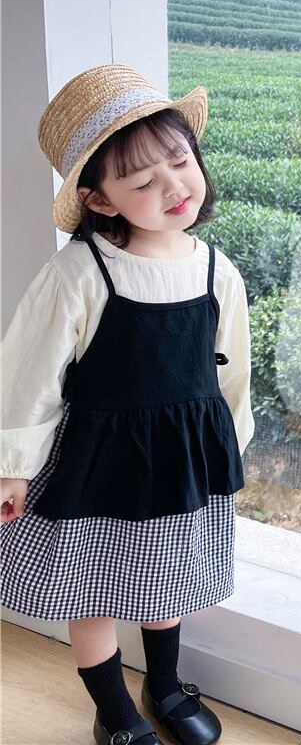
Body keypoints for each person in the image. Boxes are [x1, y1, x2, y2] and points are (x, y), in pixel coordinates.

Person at [0, 64, 255, 745]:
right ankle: (114, 714)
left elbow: (232, 371)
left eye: (180, 161)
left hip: (179, 464)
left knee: (169, 583)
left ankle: (164, 687)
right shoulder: (79, 274)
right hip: (99, 465)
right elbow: (29, 375)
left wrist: (230, 447)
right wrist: (12, 466)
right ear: (100, 200)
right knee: (93, 593)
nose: (173, 186)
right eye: (142, 182)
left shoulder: (215, 269)